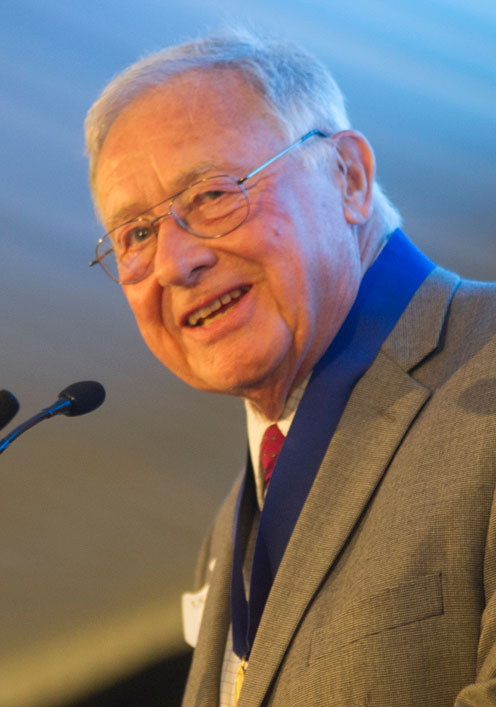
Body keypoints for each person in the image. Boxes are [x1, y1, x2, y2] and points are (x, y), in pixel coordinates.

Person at [84, 30, 496, 707]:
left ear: (349, 178)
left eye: (213, 193)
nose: (173, 262)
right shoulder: (233, 527)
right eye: (136, 235)